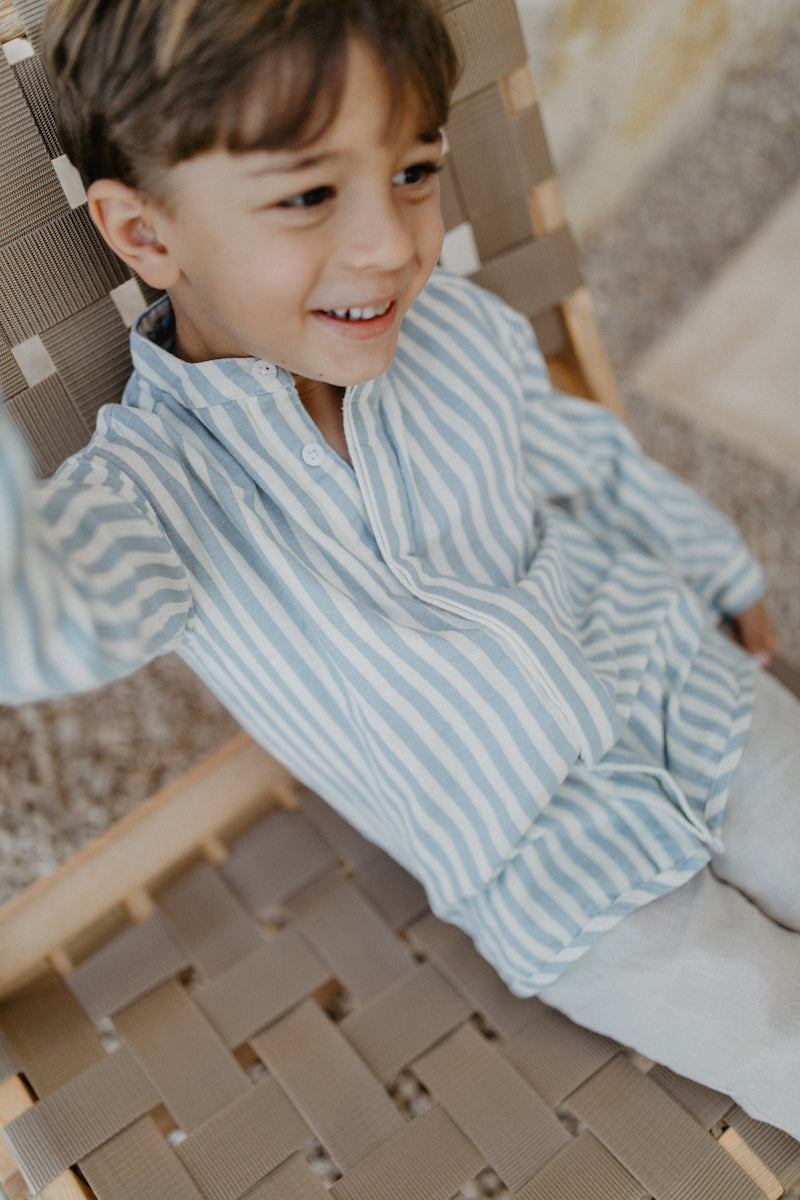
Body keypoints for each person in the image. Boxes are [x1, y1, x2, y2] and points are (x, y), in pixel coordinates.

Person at [1, 0, 798, 1137]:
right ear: (147, 236)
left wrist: (709, 561)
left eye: (414, 170)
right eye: (310, 195)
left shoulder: (459, 333)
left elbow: (579, 458)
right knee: (771, 1033)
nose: (392, 243)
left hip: (673, 678)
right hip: (552, 873)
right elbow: (65, 609)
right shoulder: (153, 494)